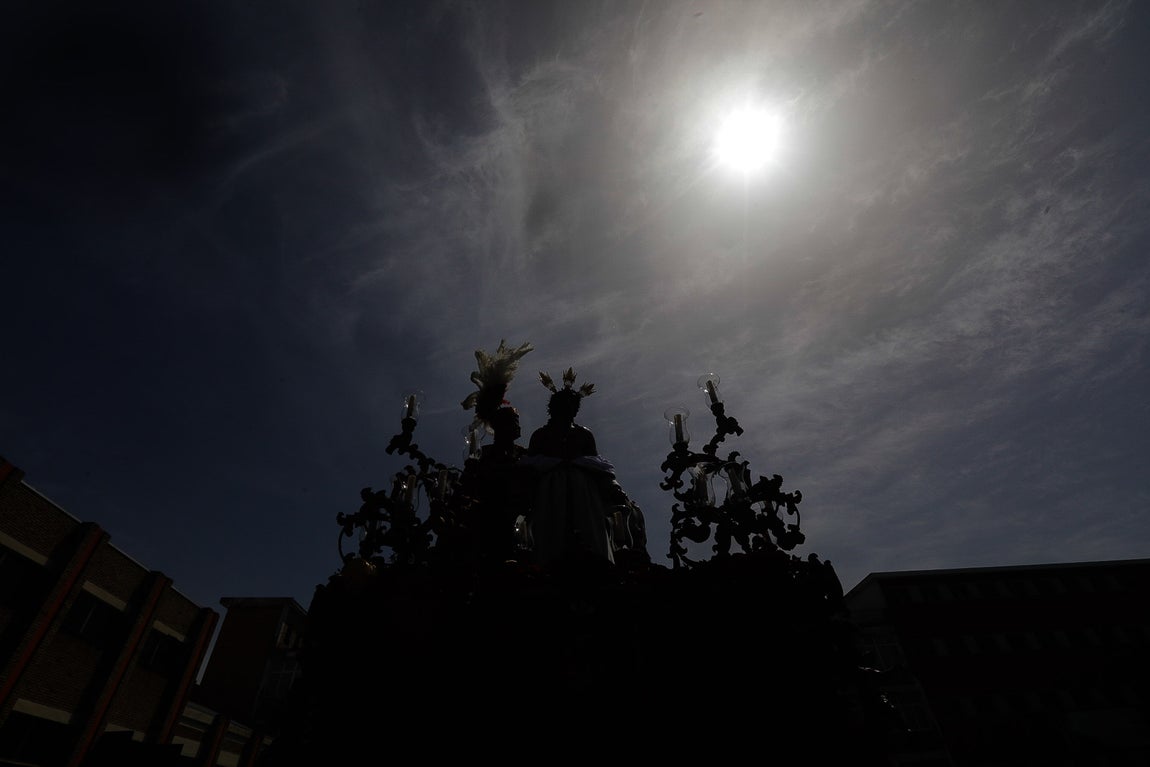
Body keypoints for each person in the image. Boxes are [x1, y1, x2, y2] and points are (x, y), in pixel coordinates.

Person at [523, 368, 647, 568]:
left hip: (584, 490)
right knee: (552, 531)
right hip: (551, 489)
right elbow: (530, 466)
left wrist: (612, 485)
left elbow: (598, 465)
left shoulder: (584, 435)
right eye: (565, 405)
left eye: (573, 406)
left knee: (589, 529)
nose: (569, 409)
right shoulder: (540, 435)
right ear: (554, 407)